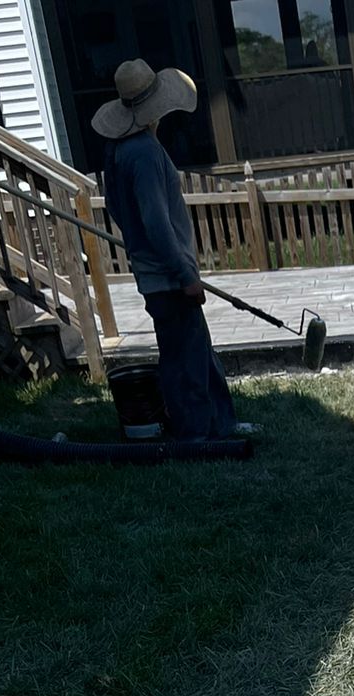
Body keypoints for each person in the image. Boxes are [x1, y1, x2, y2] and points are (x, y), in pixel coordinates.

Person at [94, 61, 245, 441]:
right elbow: (156, 223)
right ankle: (195, 437)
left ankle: (221, 423)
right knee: (184, 362)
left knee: (197, 351)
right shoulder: (143, 152)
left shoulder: (117, 150)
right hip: (167, 277)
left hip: (157, 273)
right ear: (153, 109)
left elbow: (116, 208)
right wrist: (185, 274)